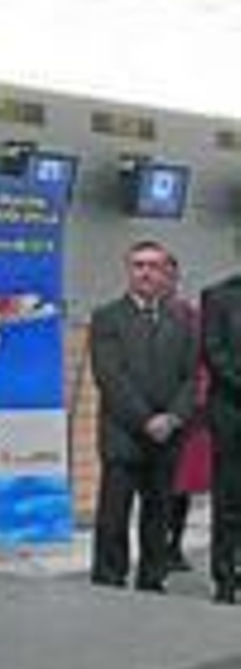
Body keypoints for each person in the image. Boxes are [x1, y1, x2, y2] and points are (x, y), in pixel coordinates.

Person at [88, 240, 196, 593]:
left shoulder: (181, 320)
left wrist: (174, 418)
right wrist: (147, 420)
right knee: (113, 518)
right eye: (138, 265)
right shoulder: (107, 317)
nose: (146, 272)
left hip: (168, 437)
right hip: (123, 435)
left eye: (153, 265)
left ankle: (152, 580)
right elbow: (110, 377)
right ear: (128, 271)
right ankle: (108, 580)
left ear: (166, 272)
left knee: (158, 515)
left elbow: (191, 377)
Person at [165, 253, 210, 572]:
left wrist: (197, 404)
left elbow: (202, 366)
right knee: (158, 489)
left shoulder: (193, 317)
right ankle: (155, 549)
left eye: (169, 274)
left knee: (182, 487)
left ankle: (173, 547)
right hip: (150, 416)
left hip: (190, 416)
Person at [202, 265, 241, 603]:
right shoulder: (218, 296)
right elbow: (214, 353)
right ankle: (225, 578)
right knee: (229, 500)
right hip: (231, 411)